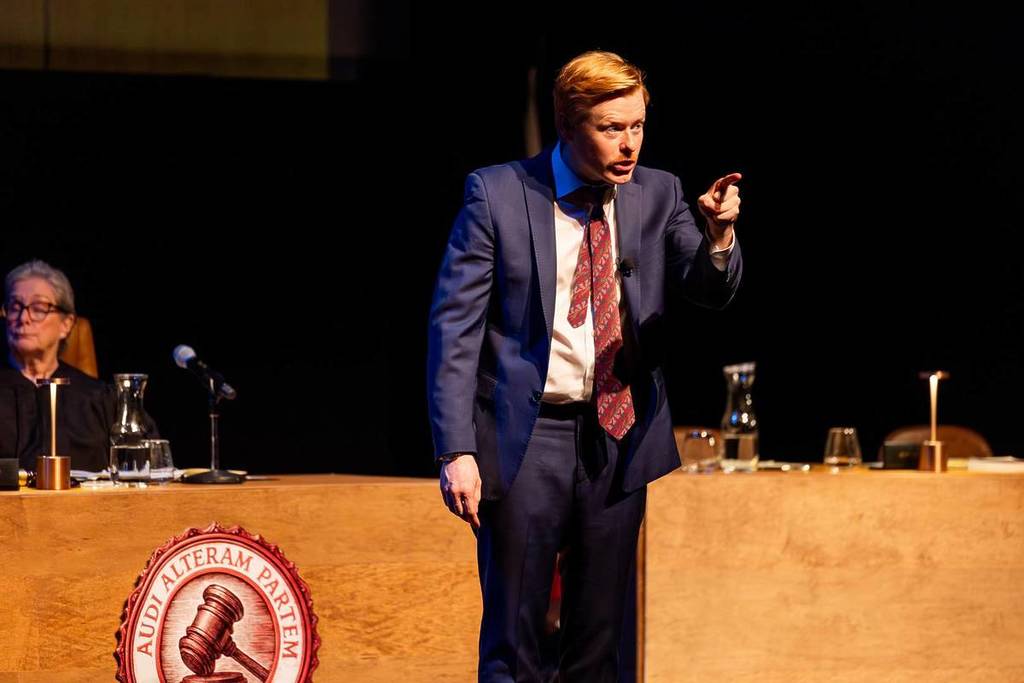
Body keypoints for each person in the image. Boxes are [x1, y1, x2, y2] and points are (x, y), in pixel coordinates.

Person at [427, 51, 743, 681]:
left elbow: (706, 289)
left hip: (618, 435)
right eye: (611, 129)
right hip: (526, 437)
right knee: (513, 641)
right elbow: (453, 329)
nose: (629, 146)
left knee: (599, 643)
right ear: (569, 126)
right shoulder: (497, 193)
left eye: (638, 127)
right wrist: (454, 449)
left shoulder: (658, 192)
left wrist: (716, 238)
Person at [0, 260, 115, 472]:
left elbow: (147, 470)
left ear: (66, 324)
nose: (23, 318)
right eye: (15, 307)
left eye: (39, 308)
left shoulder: (101, 400)